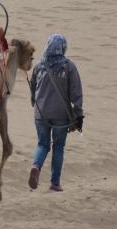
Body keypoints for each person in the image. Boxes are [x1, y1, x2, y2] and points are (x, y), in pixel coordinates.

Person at [27, 33, 83, 192]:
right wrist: (78, 114)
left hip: (41, 113)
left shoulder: (39, 66)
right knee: (58, 147)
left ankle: (36, 166)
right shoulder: (69, 66)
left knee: (42, 144)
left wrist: (35, 104)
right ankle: (55, 183)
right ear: (63, 48)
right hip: (61, 114)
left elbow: (33, 89)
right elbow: (76, 93)